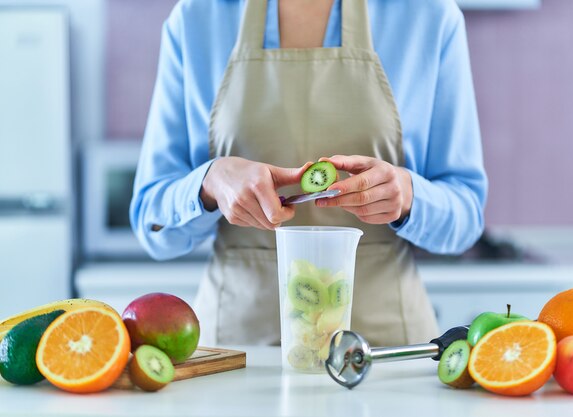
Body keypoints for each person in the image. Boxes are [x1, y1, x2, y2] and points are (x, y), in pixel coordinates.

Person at [130, 0, 488, 347]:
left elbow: (466, 214)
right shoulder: (196, 17)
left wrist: (409, 197)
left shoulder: (430, 14)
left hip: (383, 354)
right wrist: (209, 184)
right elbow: (152, 222)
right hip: (239, 353)